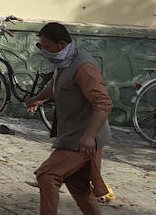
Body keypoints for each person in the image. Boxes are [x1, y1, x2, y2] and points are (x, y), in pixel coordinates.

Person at [26, 22, 112, 215]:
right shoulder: (65, 61)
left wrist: (89, 136)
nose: (45, 52)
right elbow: (57, 84)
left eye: (47, 47)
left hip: (83, 139)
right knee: (78, 186)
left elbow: (103, 103)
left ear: (62, 44)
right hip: (74, 135)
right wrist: (38, 98)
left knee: (47, 176)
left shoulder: (83, 67)